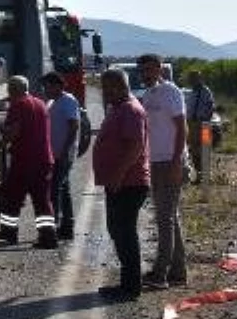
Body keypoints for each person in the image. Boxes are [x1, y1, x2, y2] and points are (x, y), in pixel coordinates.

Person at [93, 67, 150, 301]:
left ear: (119, 86)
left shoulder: (130, 110)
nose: (103, 93)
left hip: (129, 183)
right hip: (119, 182)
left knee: (125, 233)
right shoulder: (118, 108)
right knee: (117, 230)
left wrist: (117, 175)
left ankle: (131, 287)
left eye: (106, 88)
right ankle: (126, 283)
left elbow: (135, 147)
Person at [138, 54, 188, 290]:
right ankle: (178, 271)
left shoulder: (171, 91)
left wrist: (177, 162)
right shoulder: (148, 95)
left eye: (150, 69)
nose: (146, 74)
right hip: (155, 162)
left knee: (164, 218)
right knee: (170, 217)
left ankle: (160, 273)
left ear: (159, 69)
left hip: (170, 162)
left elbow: (182, 127)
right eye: (143, 70)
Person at [0, 75, 57, 248]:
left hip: (25, 160)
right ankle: (48, 237)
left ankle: (9, 232)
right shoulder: (40, 103)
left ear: (13, 90)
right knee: (42, 200)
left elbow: (14, 133)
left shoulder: (18, 105)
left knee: (12, 197)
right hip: (44, 159)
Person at [41, 72, 81, 240]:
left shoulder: (68, 100)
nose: (45, 90)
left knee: (54, 191)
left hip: (63, 154)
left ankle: (53, 229)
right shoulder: (51, 102)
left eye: (48, 86)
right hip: (54, 154)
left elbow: (74, 126)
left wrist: (65, 151)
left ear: (58, 85)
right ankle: (67, 227)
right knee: (63, 190)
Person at [185, 69, 216, 174]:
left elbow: (211, 106)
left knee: (205, 147)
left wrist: (206, 120)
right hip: (192, 124)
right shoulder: (191, 92)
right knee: (194, 148)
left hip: (204, 123)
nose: (192, 80)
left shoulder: (206, 91)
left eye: (194, 78)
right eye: (191, 78)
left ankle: (206, 173)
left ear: (199, 79)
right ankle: (198, 172)